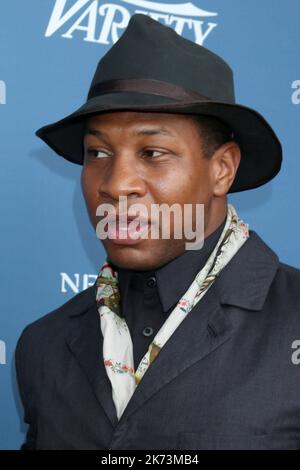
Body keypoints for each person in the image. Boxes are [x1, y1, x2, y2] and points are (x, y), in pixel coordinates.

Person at [15, 13, 300, 450]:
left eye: (152, 152)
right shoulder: (44, 345)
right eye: (97, 152)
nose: (114, 184)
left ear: (222, 169)